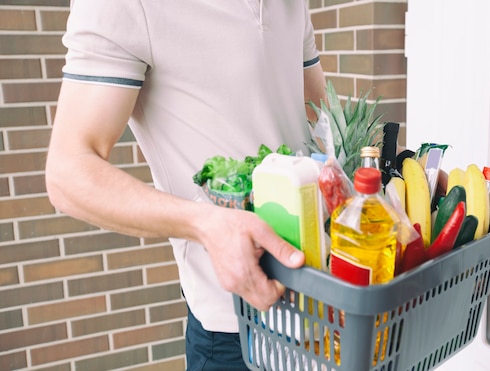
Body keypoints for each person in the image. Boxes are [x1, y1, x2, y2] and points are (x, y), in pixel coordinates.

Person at [45, 1, 327, 369]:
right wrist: (206, 224)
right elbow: (68, 172)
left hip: (323, 305)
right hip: (235, 325)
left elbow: (318, 116)